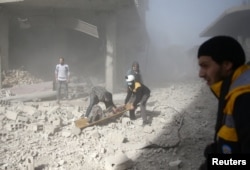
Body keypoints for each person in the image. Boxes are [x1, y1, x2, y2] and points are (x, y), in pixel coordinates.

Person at [197, 36, 250, 169]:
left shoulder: (245, 97)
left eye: (205, 66)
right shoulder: (232, 89)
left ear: (226, 65)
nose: (200, 74)